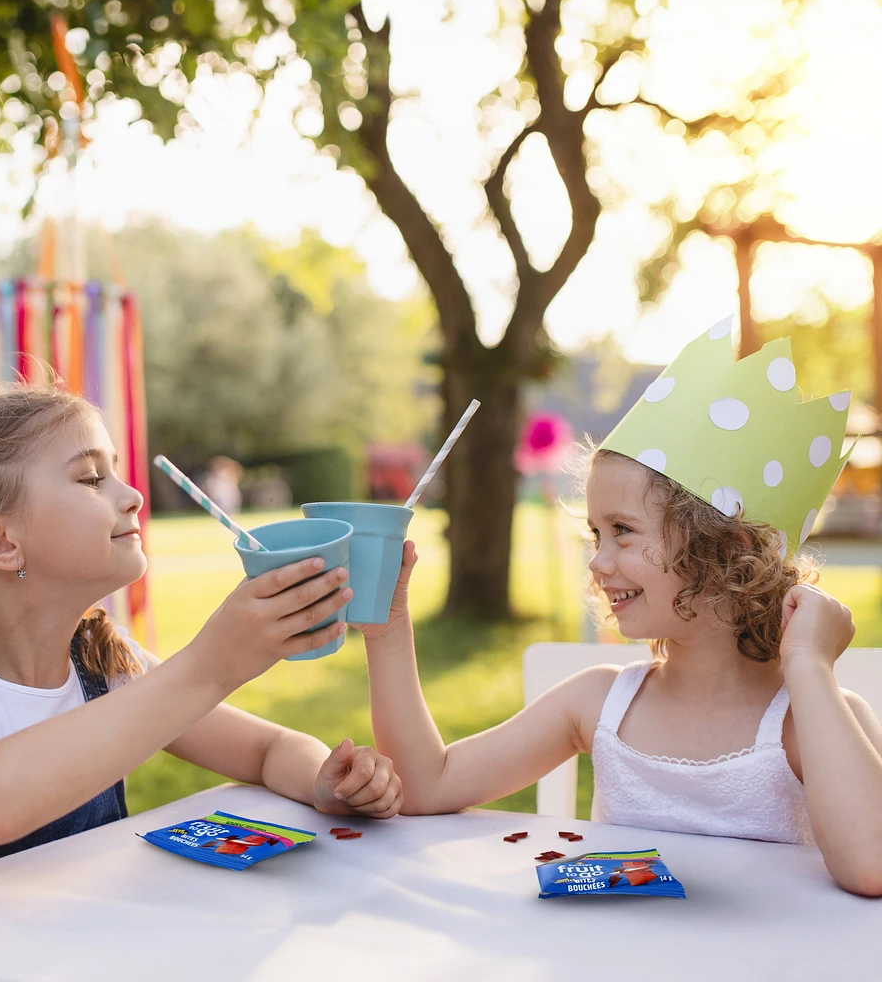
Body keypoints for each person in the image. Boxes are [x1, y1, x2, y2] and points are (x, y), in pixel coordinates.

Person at [362, 321, 882, 896]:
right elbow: (425, 785)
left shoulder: (803, 720)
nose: (598, 563)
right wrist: (388, 628)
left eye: (623, 532)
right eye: (594, 535)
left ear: (728, 552)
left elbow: (871, 867)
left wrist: (809, 665)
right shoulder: (597, 702)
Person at [0, 380, 401, 894]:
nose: (131, 496)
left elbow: (268, 750)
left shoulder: (106, 666)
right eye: (89, 478)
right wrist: (210, 665)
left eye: (115, 472)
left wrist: (323, 781)